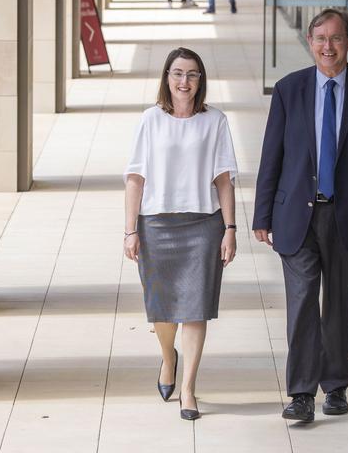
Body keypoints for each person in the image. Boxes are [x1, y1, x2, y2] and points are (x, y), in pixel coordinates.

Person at [252, 9, 348, 423]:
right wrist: (261, 213)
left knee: (338, 304)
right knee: (301, 304)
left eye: (336, 38)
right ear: (309, 40)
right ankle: (301, 393)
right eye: (320, 38)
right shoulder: (289, 89)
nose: (328, 47)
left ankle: (335, 385)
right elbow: (273, 155)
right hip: (296, 217)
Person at [124, 47, 238, 421]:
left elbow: (224, 179)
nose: (184, 81)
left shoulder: (215, 121)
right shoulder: (150, 120)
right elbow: (135, 178)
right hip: (156, 224)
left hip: (204, 225)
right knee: (161, 311)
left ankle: (188, 388)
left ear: (200, 80)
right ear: (166, 78)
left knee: (195, 309)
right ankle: (168, 356)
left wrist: (230, 228)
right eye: (177, 73)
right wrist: (130, 231)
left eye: (191, 74)